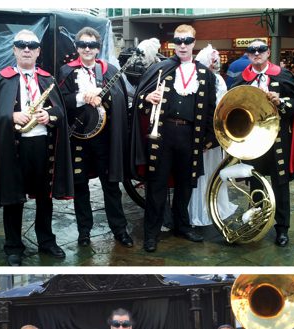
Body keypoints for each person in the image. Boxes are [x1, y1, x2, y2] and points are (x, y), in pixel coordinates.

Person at [0, 29, 73, 266]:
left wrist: (48, 116)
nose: (27, 49)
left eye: (32, 45)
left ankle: (47, 241)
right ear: (14, 49)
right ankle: (13, 247)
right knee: (13, 198)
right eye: (21, 45)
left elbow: (61, 112)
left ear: (39, 50)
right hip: (13, 147)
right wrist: (10, 115)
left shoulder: (47, 79)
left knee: (45, 197)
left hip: (43, 145)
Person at [131, 24, 218, 252]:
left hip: (191, 136)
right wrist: (148, 98)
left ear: (193, 43)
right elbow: (139, 100)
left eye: (186, 41)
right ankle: (152, 232)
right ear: (172, 44)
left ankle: (182, 225)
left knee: (185, 185)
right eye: (177, 41)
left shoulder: (205, 74)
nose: (182, 45)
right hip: (162, 135)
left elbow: (211, 110)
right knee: (157, 185)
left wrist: (207, 140)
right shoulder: (161, 68)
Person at [57, 26, 134, 249]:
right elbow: (60, 103)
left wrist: (104, 97)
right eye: (83, 45)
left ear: (98, 48)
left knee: (111, 186)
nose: (87, 49)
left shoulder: (109, 70)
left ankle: (119, 230)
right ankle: (84, 232)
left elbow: (120, 100)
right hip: (78, 139)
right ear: (77, 48)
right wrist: (81, 97)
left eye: (92, 45)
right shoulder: (66, 72)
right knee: (80, 187)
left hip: (105, 139)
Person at [230, 39, 294, 247]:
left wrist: (281, 101)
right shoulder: (242, 79)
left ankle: (282, 229)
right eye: (252, 51)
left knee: (280, 184)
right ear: (247, 55)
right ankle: (256, 224)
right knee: (256, 182)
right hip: (252, 141)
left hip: (277, 140)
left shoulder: (283, 76)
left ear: (268, 53)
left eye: (261, 50)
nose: (257, 53)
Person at [189, 44, 236, 226]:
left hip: (211, 133)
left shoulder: (217, 81)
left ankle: (206, 206)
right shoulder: (211, 80)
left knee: (210, 170)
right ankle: (200, 206)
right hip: (203, 132)